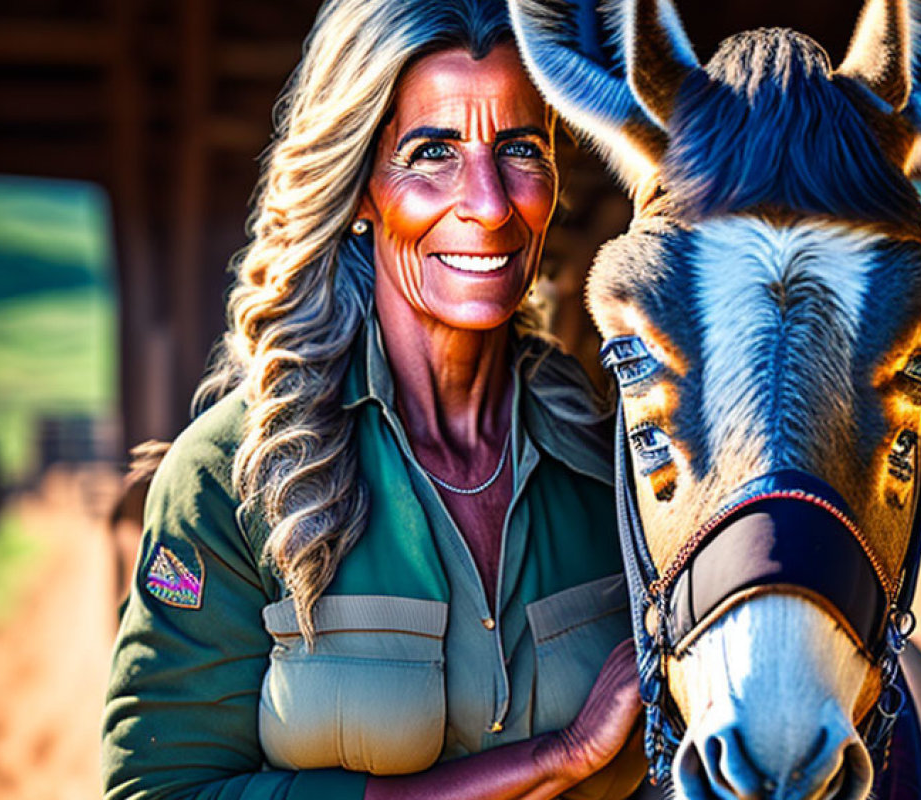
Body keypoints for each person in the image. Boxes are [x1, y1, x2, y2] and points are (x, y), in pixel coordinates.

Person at [101, 0, 647, 797]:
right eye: (431, 153)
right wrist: (551, 758)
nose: (490, 205)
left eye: (521, 150)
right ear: (361, 188)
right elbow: (161, 790)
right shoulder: (231, 478)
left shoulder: (623, 470)